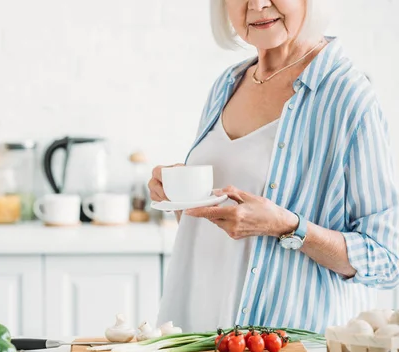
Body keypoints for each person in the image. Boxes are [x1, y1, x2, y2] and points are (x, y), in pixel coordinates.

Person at [150, 0, 399, 333]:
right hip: (195, 332)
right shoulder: (228, 83)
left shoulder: (349, 98)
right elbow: (228, 228)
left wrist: (289, 227)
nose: (257, 4)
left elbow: (386, 259)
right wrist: (179, 197)